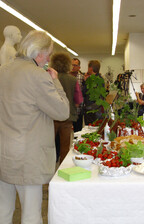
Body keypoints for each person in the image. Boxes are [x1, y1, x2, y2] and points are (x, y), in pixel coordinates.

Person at [0, 30, 69, 224]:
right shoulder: (38, 75)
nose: (49, 58)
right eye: (49, 53)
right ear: (39, 53)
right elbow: (62, 111)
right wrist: (55, 81)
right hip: (27, 157)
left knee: (3, 210)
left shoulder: (3, 70)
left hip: (3, 152)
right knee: (31, 214)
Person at [50, 53, 83, 164]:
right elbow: (78, 100)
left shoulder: (49, 78)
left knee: (50, 145)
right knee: (65, 146)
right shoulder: (73, 80)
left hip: (52, 117)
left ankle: (49, 166)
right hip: (67, 117)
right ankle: (62, 168)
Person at [82, 60, 105, 125]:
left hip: (90, 109)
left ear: (91, 68)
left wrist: (85, 82)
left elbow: (84, 92)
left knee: (90, 128)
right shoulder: (101, 79)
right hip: (99, 108)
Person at [71, 58, 84, 132]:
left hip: (78, 110)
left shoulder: (82, 78)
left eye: (75, 65)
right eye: (71, 65)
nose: (72, 67)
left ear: (79, 67)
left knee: (77, 131)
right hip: (68, 110)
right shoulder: (66, 77)